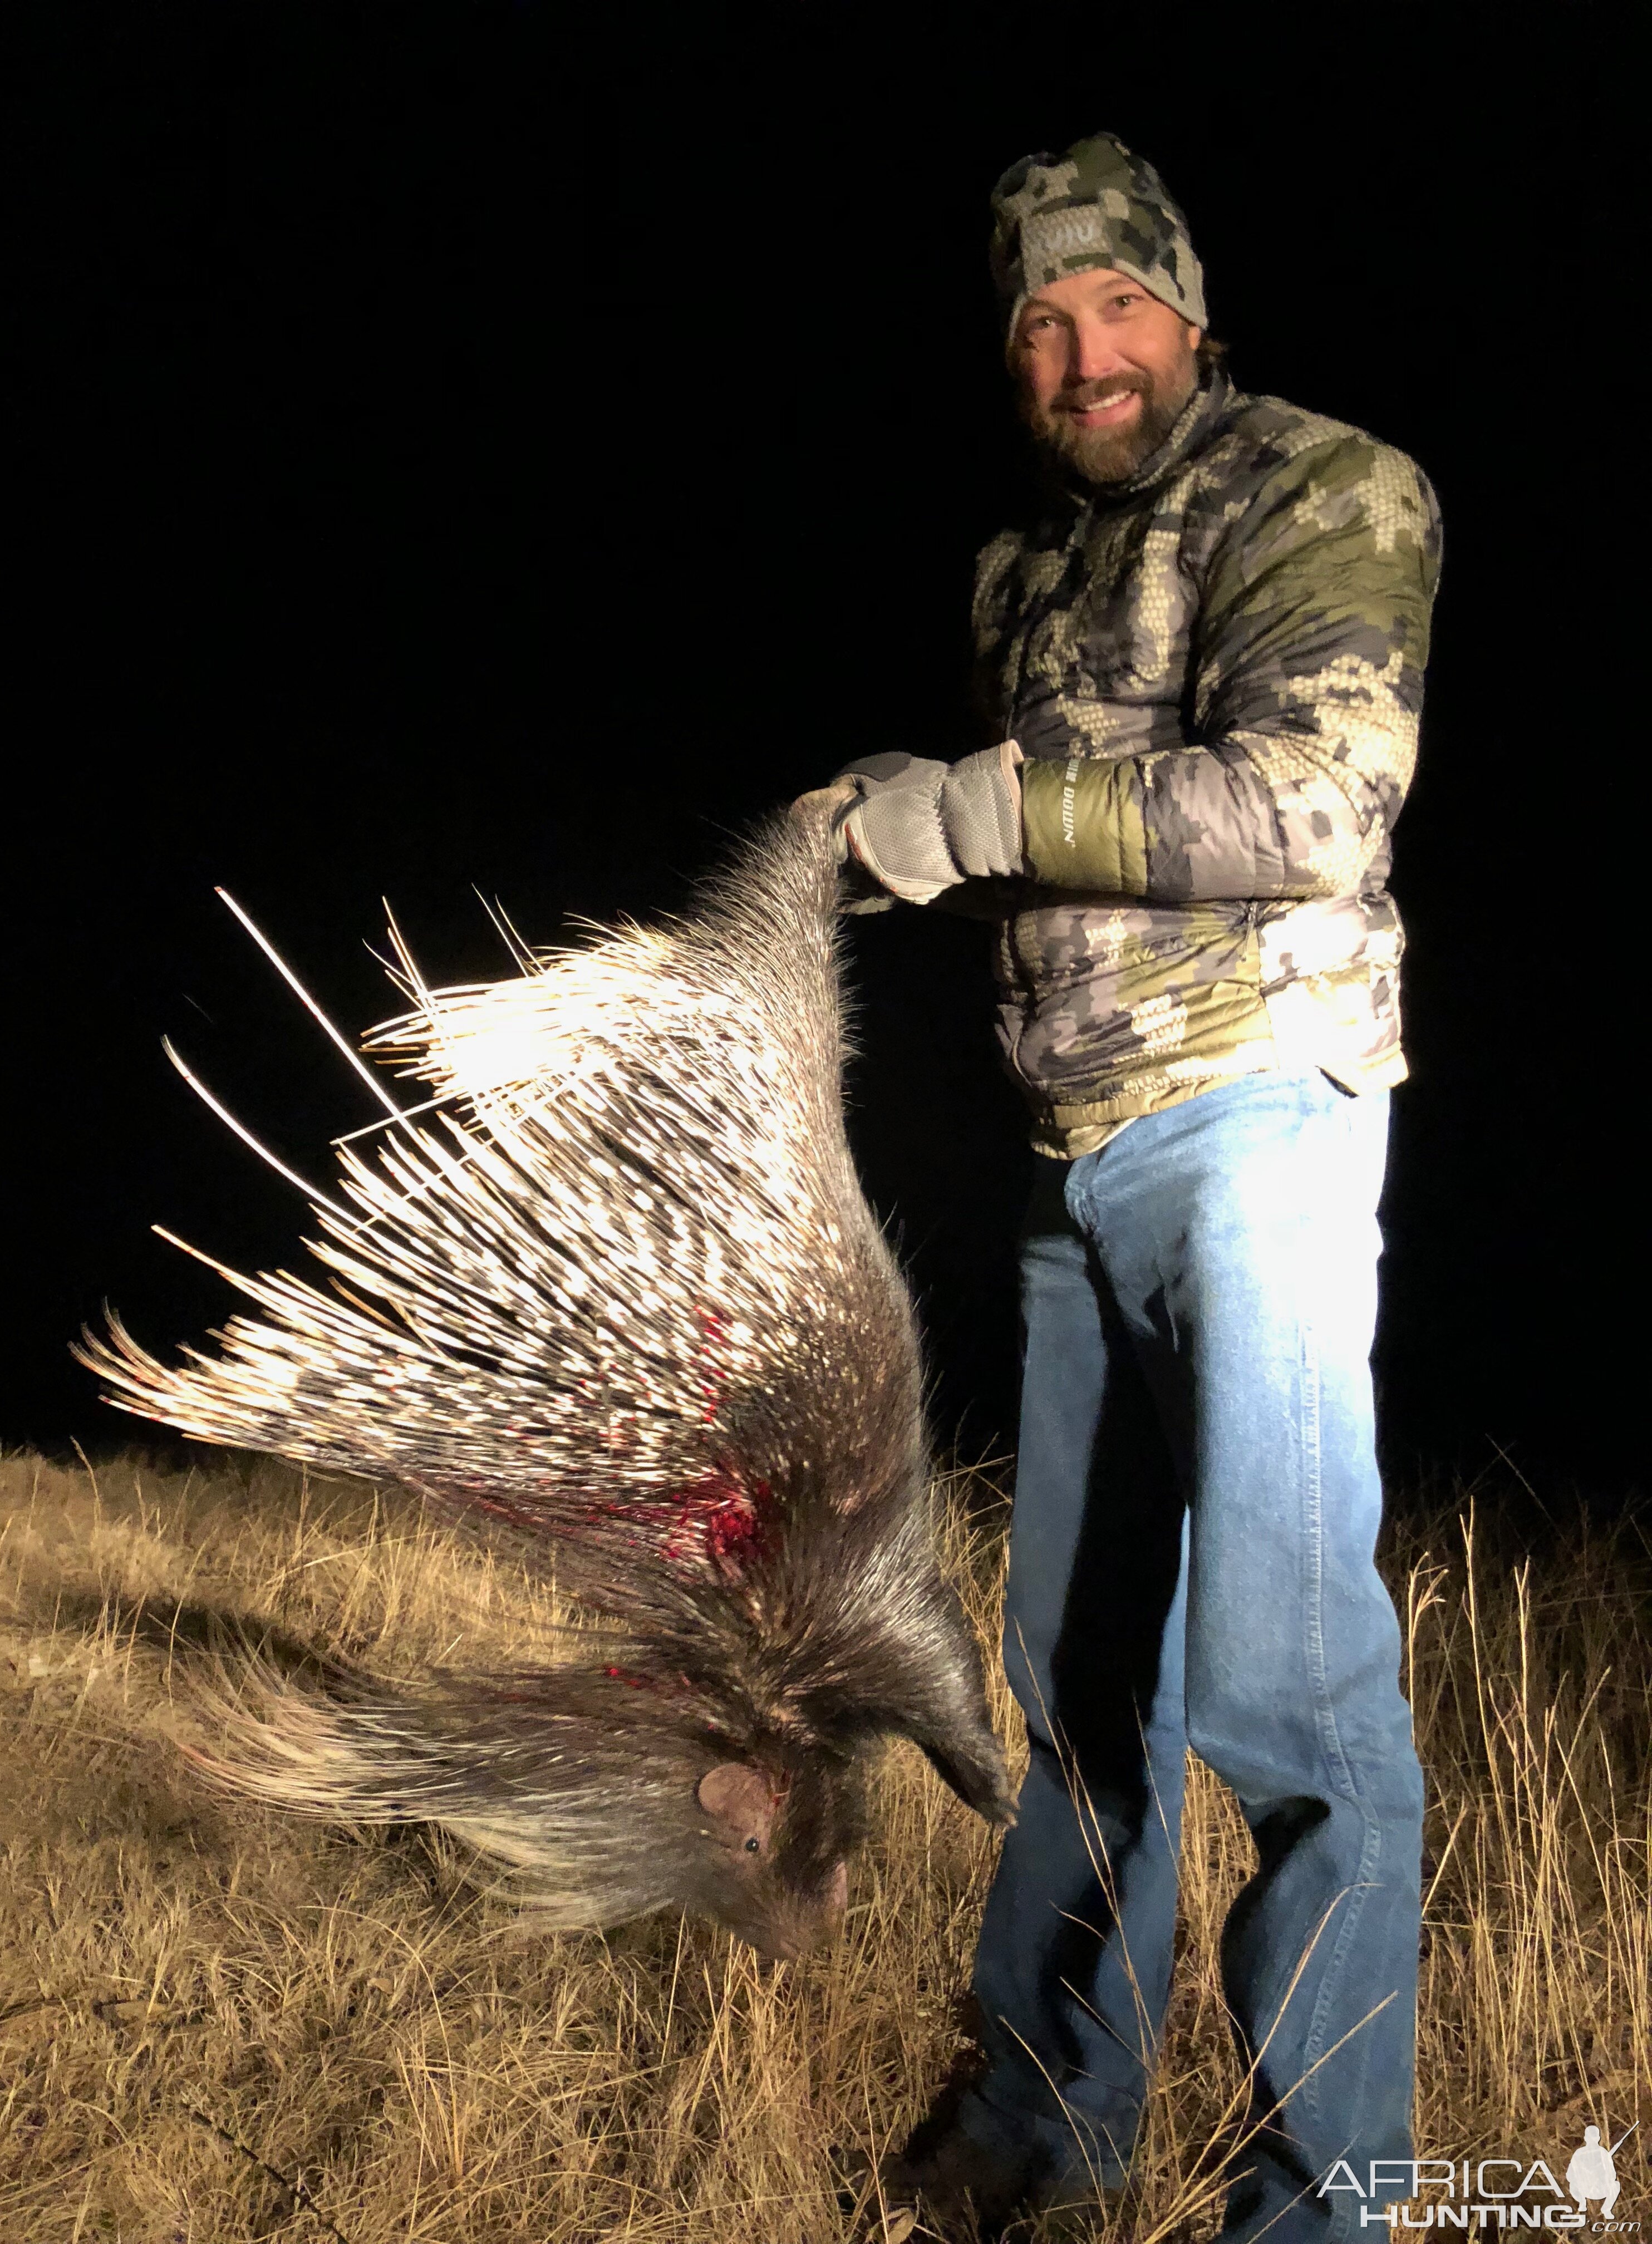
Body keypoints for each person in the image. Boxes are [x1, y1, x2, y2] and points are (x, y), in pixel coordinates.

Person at [800, 134, 1442, 2242]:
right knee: (1081, 1679)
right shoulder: (1020, 573)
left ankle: (1327, 2198)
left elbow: (1313, 805)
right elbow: (1043, 837)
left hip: (1261, 1118)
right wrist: (883, 823)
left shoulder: (1328, 484)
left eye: (1119, 306)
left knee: (1290, 1681)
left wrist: (975, 806)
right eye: (1043, 326)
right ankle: (1044, 2119)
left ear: (1188, 304)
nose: (1087, 355)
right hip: (1075, 1165)